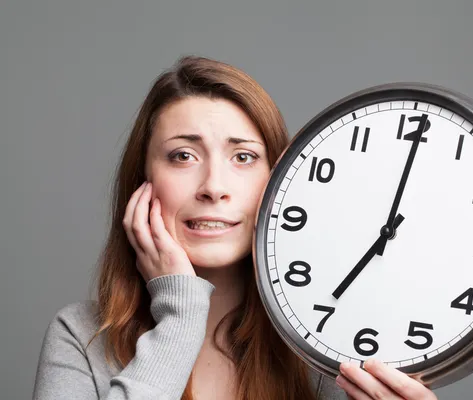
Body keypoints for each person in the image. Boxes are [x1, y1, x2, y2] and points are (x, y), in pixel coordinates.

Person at [32, 55, 439, 400]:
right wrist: (180, 313)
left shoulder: (338, 351)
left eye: (243, 157)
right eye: (183, 155)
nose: (213, 187)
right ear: (142, 178)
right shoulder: (81, 336)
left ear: (280, 180)